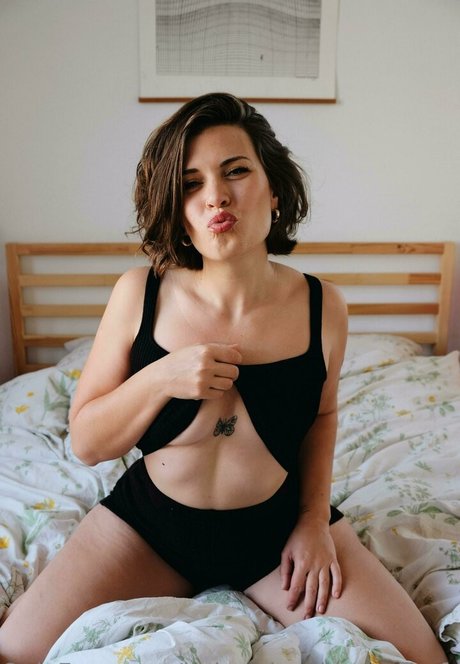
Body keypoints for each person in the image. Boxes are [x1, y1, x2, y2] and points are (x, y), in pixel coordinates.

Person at [0, 92, 447, 664]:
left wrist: (313, 521)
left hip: (276, 533)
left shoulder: (323, 306)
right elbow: (86, 443)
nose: (216, 195)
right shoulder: (139, 293)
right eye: (191, 183)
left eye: (236, 171)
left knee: (424, 656)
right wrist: (160, 378)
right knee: (13, 649)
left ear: (275, 189)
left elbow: (324, 414)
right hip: (149, 529)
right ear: (177, 208)